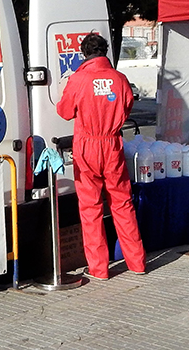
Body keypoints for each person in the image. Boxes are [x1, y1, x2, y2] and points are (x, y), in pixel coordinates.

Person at [56, 33, 145, 280]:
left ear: (84, 54)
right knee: (122, 203)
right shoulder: (120, 78)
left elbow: (64, 111)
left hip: (88, 145)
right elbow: (127, 107)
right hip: (112, 143)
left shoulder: (79, 78)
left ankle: (99, 269)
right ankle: (137, 262)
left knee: (90, 207)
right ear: (105, 51)